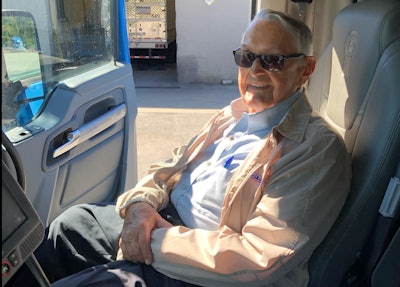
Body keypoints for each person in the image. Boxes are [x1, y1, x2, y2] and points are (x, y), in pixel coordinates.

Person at [12, 8, 351, 287]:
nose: (255, 71)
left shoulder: (315, 150)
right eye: (247, 58)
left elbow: (259, 258)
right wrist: (141, 206)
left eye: (273, 60)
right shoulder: (231, 116)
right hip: (161, 224)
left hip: (202, 270)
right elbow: (170, 168)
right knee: (68, 227)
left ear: (306, 69)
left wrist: (151, 240)